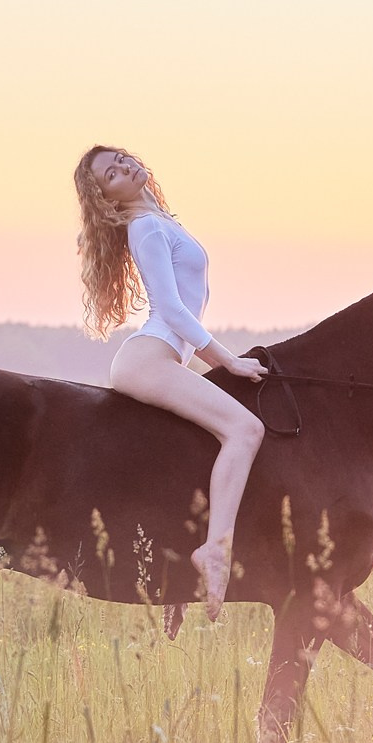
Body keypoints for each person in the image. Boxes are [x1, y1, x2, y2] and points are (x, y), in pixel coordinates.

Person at [73, 145, 268, 619]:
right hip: (151, 358)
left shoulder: (161, 221)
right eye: (110, 174)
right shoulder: (144, 226)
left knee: (197, 446)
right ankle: (214, 550)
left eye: (121, 159)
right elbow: (173, 309)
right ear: (107, 198)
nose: (123, 168)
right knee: (245, 430)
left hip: (163, 358)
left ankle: (177, 578)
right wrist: (228, 362)